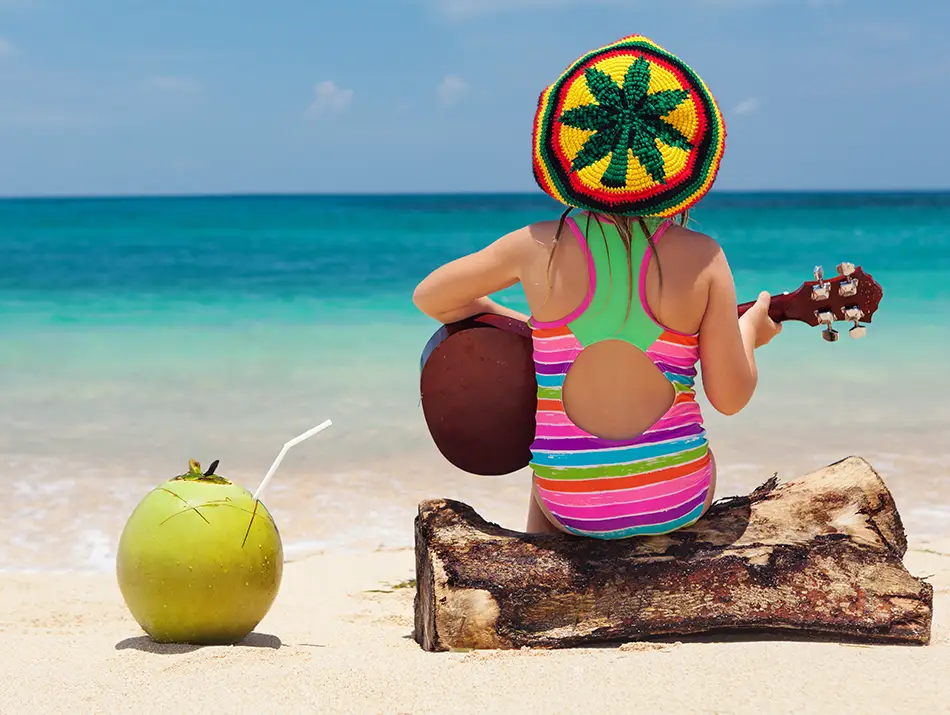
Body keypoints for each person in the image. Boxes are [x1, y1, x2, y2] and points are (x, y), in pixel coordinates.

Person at [413, 35, 781, 538]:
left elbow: (430, 298)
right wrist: (751, 332)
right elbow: (730, 397)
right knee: (688, 458)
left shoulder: (534, 246)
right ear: (681, 163)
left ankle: (540, 557)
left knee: (550, 473)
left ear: (570, 154)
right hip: (676, 496)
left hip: (571, 502)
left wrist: (524, 322)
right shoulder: (705, 257)